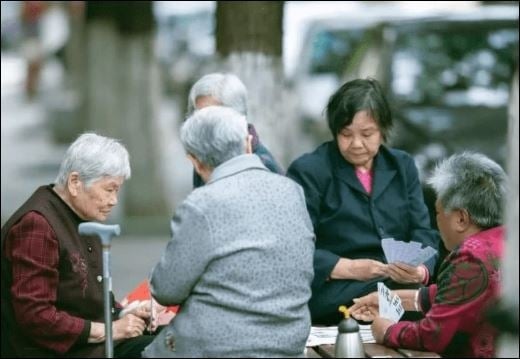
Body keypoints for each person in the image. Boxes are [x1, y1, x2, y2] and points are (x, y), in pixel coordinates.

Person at [142, 106, 315, 357]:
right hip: (289, 342)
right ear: (247, 144)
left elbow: (167, 289)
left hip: (219, 348)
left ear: (195, 161)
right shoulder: (292, 191)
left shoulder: (201, 204)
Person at [286, 78, 440, 325]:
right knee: (416, 300)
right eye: (346, 134)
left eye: (367, 134)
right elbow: (292, 245)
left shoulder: (401, 166)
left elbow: (424, 231)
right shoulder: (309, 171)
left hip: (398, 283)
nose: (356, 144)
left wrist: (420, 271)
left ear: (383, 130)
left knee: (442, 294)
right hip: (335, 289)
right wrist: (349, 267)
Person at [1, 133, 155, 358]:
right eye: (109, 189)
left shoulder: (81, 213)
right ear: (75, 183)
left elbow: (89, 298)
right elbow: (36, 315)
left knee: (170, 338)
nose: (113, 200)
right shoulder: (37, 225)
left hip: (88, 344)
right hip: (53, 352)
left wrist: (125, 314)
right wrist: (110, 331)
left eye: (117, 190)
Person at [350, 152, 506, 358]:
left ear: (461, 219)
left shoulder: (471, 257)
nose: (437, 220)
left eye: (439, 212)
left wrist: (386, 330)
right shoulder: (504, 239)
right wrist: (393, 298)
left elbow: (434, 335)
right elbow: (456, 296)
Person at [187, 72, 284, 187]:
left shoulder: (263, 167)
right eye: (199, 116)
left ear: (237, 116)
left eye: (212, 116)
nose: (201, 124)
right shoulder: (207, 154)